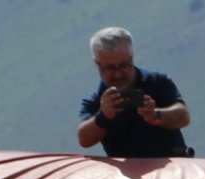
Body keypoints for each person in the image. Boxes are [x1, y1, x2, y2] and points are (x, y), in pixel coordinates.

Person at [77, 27, 193, 158]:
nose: (118, 73)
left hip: (170, 169)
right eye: (109, 68)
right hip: (129, 175)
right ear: (97, 64)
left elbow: (183, 117)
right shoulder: (96, 99)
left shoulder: (157, 82)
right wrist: (103, 116)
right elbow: (84, 139)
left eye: (123, 65)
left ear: (131, 57)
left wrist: (155, 115)